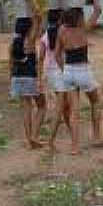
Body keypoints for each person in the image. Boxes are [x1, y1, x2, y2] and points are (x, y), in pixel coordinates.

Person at [54, 0, 103, 155]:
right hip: (83, 71)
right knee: (95, 101)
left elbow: (56, 55)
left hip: (68, 72)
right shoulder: (83, 28)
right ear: (79, 16)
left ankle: (75, 146)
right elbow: (98, 10)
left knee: (74, 111)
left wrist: (63, 70)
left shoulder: (61, 30)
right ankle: (96, 136)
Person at [9, 13, 44, 150]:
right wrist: (34, 5)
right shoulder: (29, 40)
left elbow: (10, 65)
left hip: (17, 78)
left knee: (26, 109)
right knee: (42, 106)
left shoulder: (13, 44)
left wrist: (11, 80)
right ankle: (34, 136)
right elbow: (39, 19)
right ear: (29, 28)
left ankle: (29, 140)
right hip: (30, 77)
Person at [38, 9, 72, 149]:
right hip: (61, 72)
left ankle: (73, 135)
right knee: (61, 107)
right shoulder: (63, 33)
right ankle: (50, 140)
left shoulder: (45, 36)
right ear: (59, 20)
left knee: (65, 107)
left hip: (50, 73)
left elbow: (40, 58)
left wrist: (41, 77)